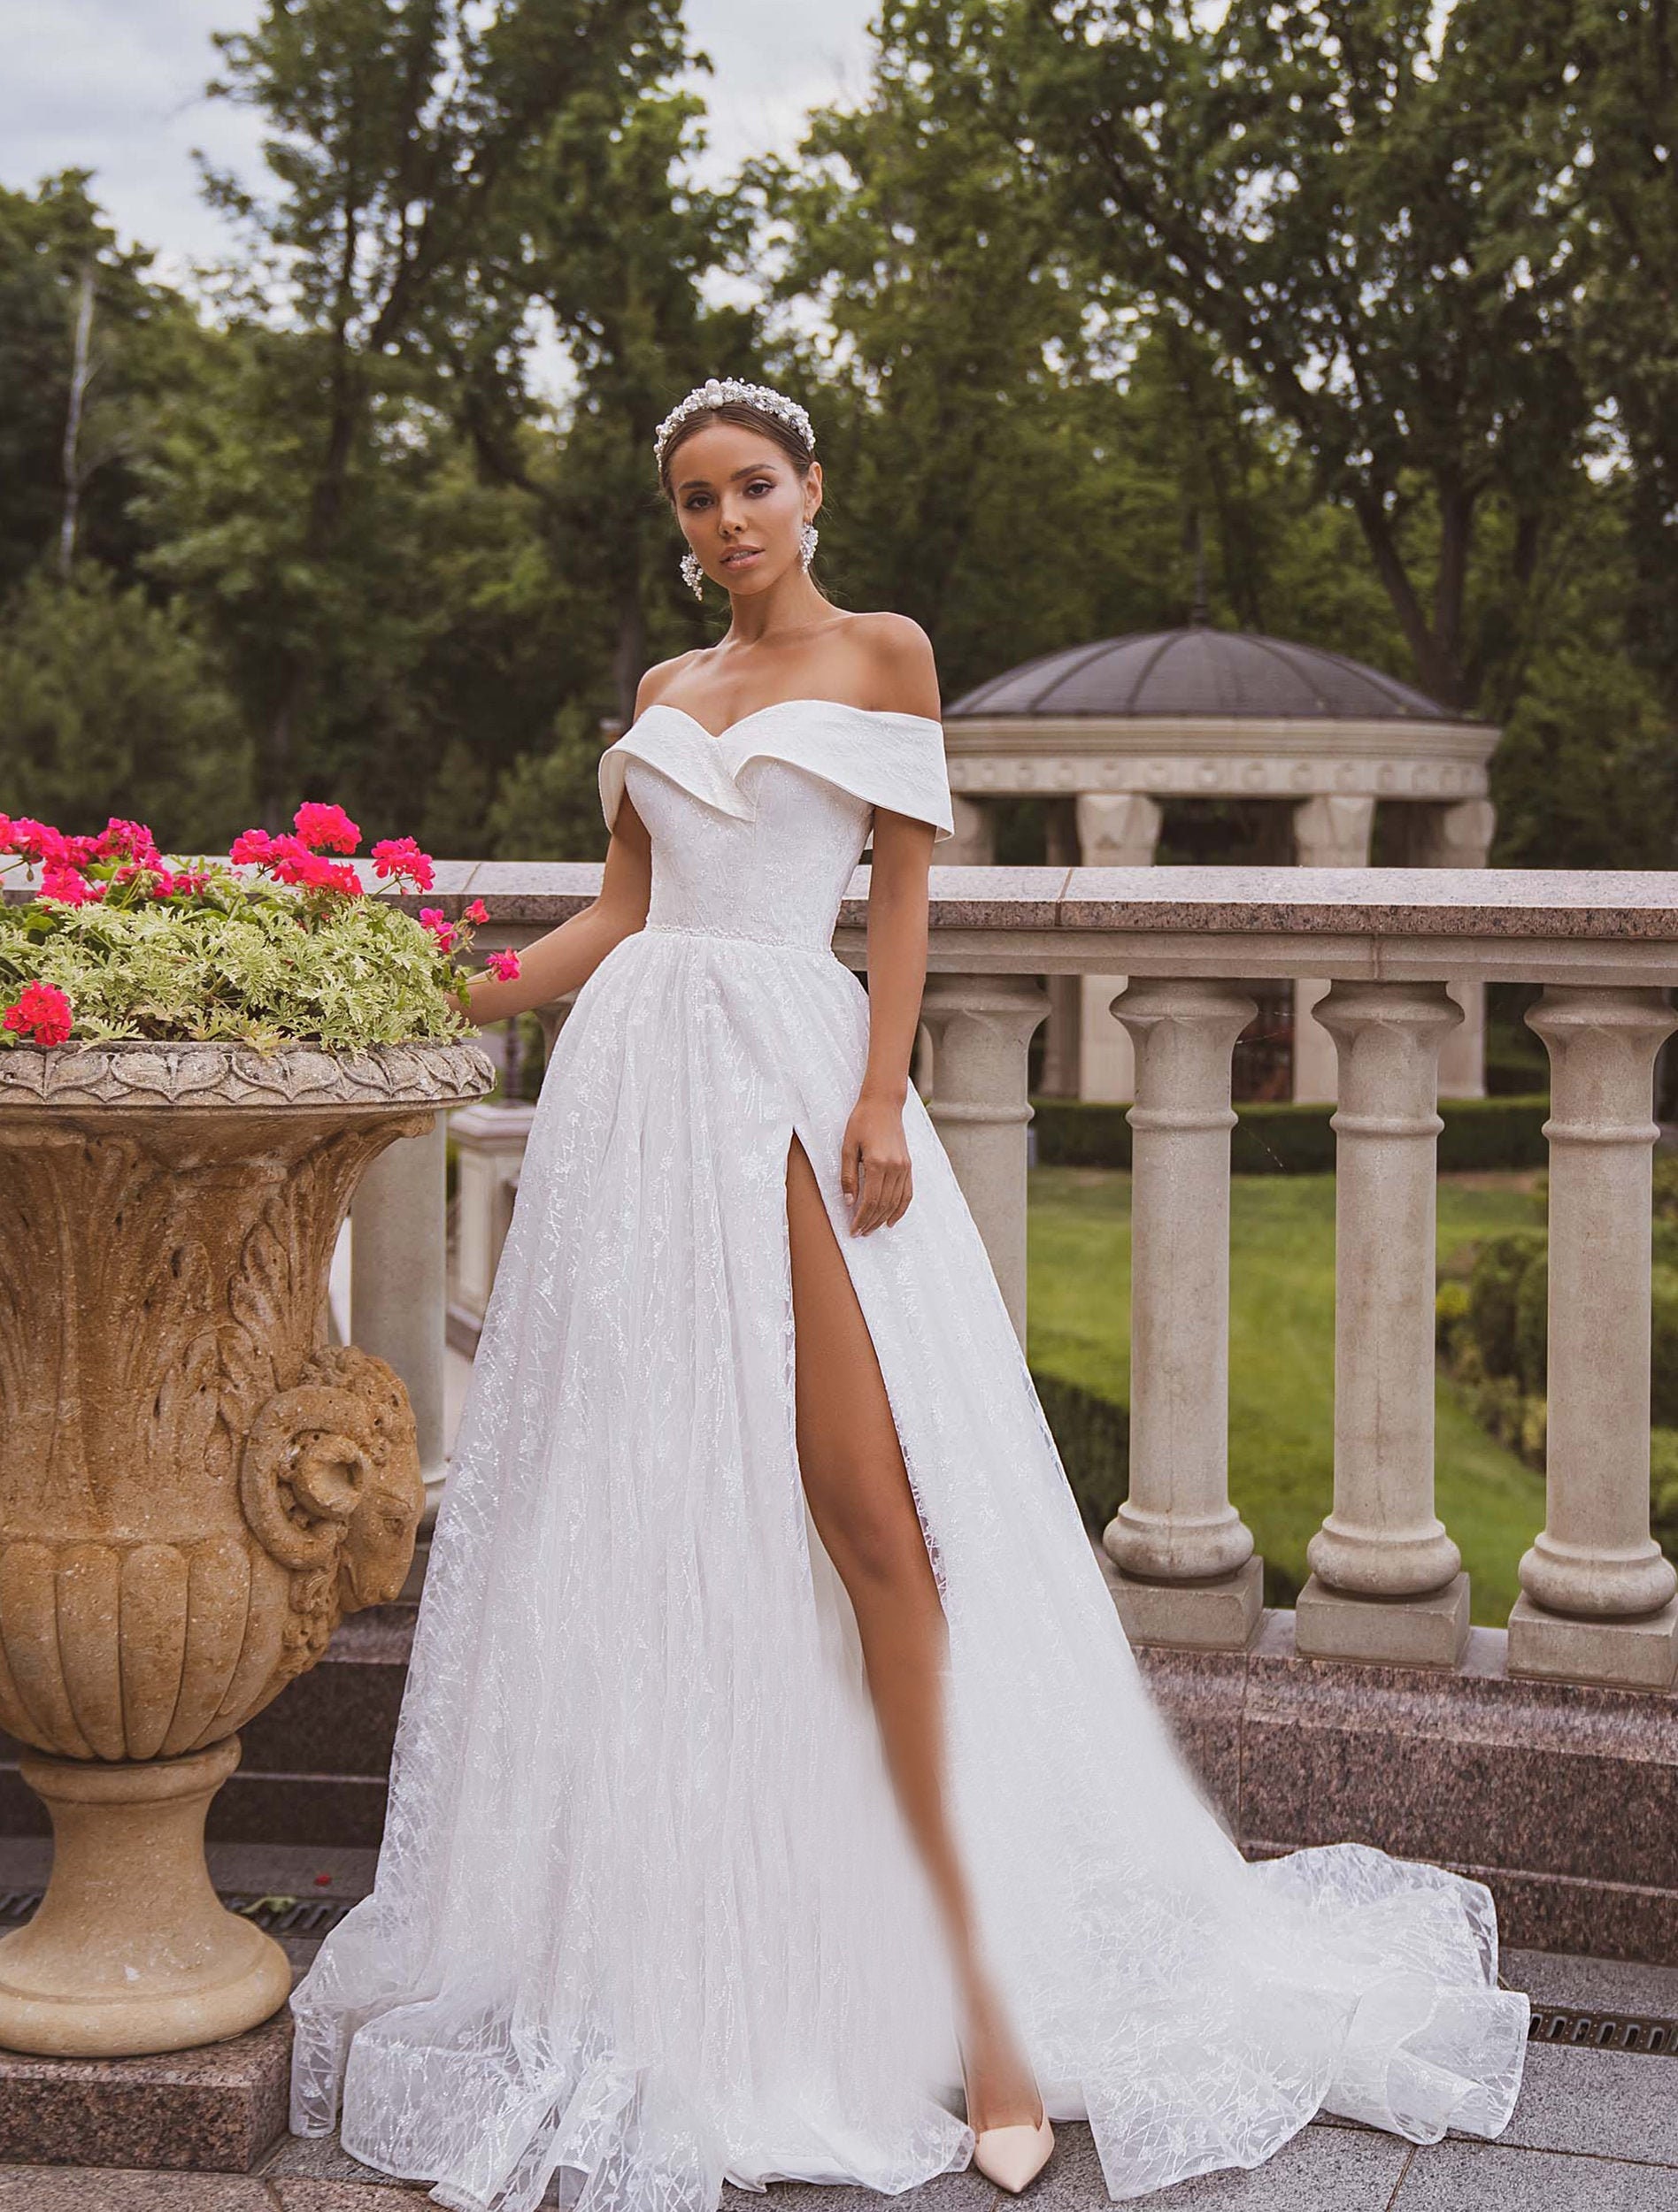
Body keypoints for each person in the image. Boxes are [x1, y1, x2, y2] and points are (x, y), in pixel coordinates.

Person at [287, 378, 1528, 2212]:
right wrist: (416, 990)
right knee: (657, 1522)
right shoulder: (658, 699)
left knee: (881, 1522)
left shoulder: (885, 655)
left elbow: (901, 905)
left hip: (791, 1094)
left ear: (813, 488)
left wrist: (878, 1099)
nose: (727, 520)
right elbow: (618, 914)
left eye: (754, 485)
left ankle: (998, 2016)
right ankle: (714, 1953)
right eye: (698, 498)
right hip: (637, 1109)